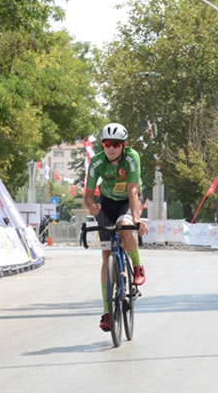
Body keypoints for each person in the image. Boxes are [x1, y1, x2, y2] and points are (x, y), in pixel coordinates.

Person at [84, 122, 147, 333]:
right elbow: (89, 193)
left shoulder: (131, 157)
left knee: (125, 227)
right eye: (107, 143)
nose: (111, 148)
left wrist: (136, 219)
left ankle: (137, 265)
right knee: (106, 256)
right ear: (102, 145)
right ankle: (107, 312)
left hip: (126, 201)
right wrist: (92, 207)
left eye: (116, 144)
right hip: (107, 203)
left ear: (124, 145)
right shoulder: (97, 162)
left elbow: (133, 191)